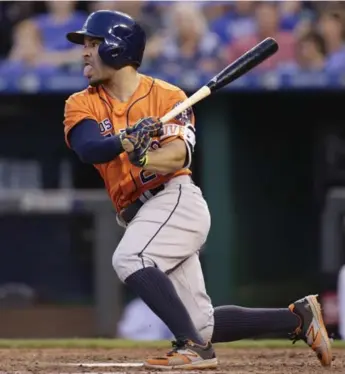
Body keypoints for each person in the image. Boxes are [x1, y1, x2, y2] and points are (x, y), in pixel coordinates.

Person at [63, 10, 333, 370]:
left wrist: (143, 155)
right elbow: (88, 148)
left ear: (118, 48)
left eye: (93, 44)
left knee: (131, 258)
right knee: (203, 324)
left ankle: (193, 348)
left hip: (174, 200)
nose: (85, 52)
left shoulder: (167, 96)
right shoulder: (81, 102)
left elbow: (178, 156)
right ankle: (298, 318)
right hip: (138, 213)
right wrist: (125, 140)